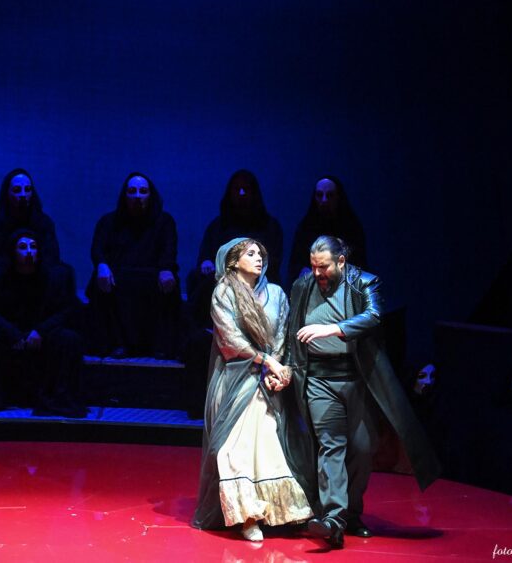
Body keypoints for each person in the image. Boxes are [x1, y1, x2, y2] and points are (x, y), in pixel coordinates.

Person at [287, 236, 439, 548]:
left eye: (323, 267)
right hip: (319, 379)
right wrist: (288, 366)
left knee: (362, 448)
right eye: (313, 266)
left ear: (341, 261)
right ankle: (333, 518)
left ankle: (352, 514)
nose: (317, 273)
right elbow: (292, 330)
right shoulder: (303, 285)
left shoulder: (364, 283)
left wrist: (332, 329)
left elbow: (374, 315)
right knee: (330, 445)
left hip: (358, 379)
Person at [192, 238, 314, 540]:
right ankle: (247, 516)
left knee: (267, 446)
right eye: (251, 253)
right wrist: (266, 361)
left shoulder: (276, 294)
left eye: (261, 253)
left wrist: (278, 370)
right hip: (235, 379)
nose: (259, 257)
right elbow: (230, 339)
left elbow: (282, 335)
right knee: (234, 448)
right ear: (234, 262)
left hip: (267, 380)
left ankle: (280, 512)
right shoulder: (224, 292)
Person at [184, 170, 284, 417]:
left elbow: (280, 332)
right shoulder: (218, 227)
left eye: (246, 189)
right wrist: (208, 263)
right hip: (226, 306)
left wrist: (273, 359)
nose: (241, 194)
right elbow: (205, 256)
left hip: (259, 305)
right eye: (236, 189)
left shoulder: (269, 228)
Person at [0, 229, 85, 417]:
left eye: (33, 246)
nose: (29, 251)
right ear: (13, 251)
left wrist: (40, 331)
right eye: (23, 247)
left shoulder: (51, 278)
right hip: (11, 335)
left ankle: (59, 398)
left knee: (69, 339)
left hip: (42, 335)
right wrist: (13, 334)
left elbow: (65, 310)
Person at [87, 172, 180, 358]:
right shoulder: (108, 222)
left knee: (169, 283)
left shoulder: (164, 221)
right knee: (101, 284)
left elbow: (169, 250)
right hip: (118, 275)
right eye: (132, 191)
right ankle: (117, 343)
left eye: (143, 191)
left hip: (152, 276)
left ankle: (159, 345)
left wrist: (166, 268)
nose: (137, 196)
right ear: (125, 194)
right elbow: (97, 249)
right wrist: (102, 265)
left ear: (150, 194)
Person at [286, 177, 367, 287]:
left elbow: (359, 266)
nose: (324, 200)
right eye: (319, 195)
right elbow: (295, 265)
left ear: (338, 197)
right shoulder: (305, 229)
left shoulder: (352, 229)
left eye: (330, 195)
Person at [0, 168, 61, 267]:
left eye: (27, 189)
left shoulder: (44, 223)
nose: (23, 194)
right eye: (17, 190)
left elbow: (52, 260)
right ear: (7, 193)